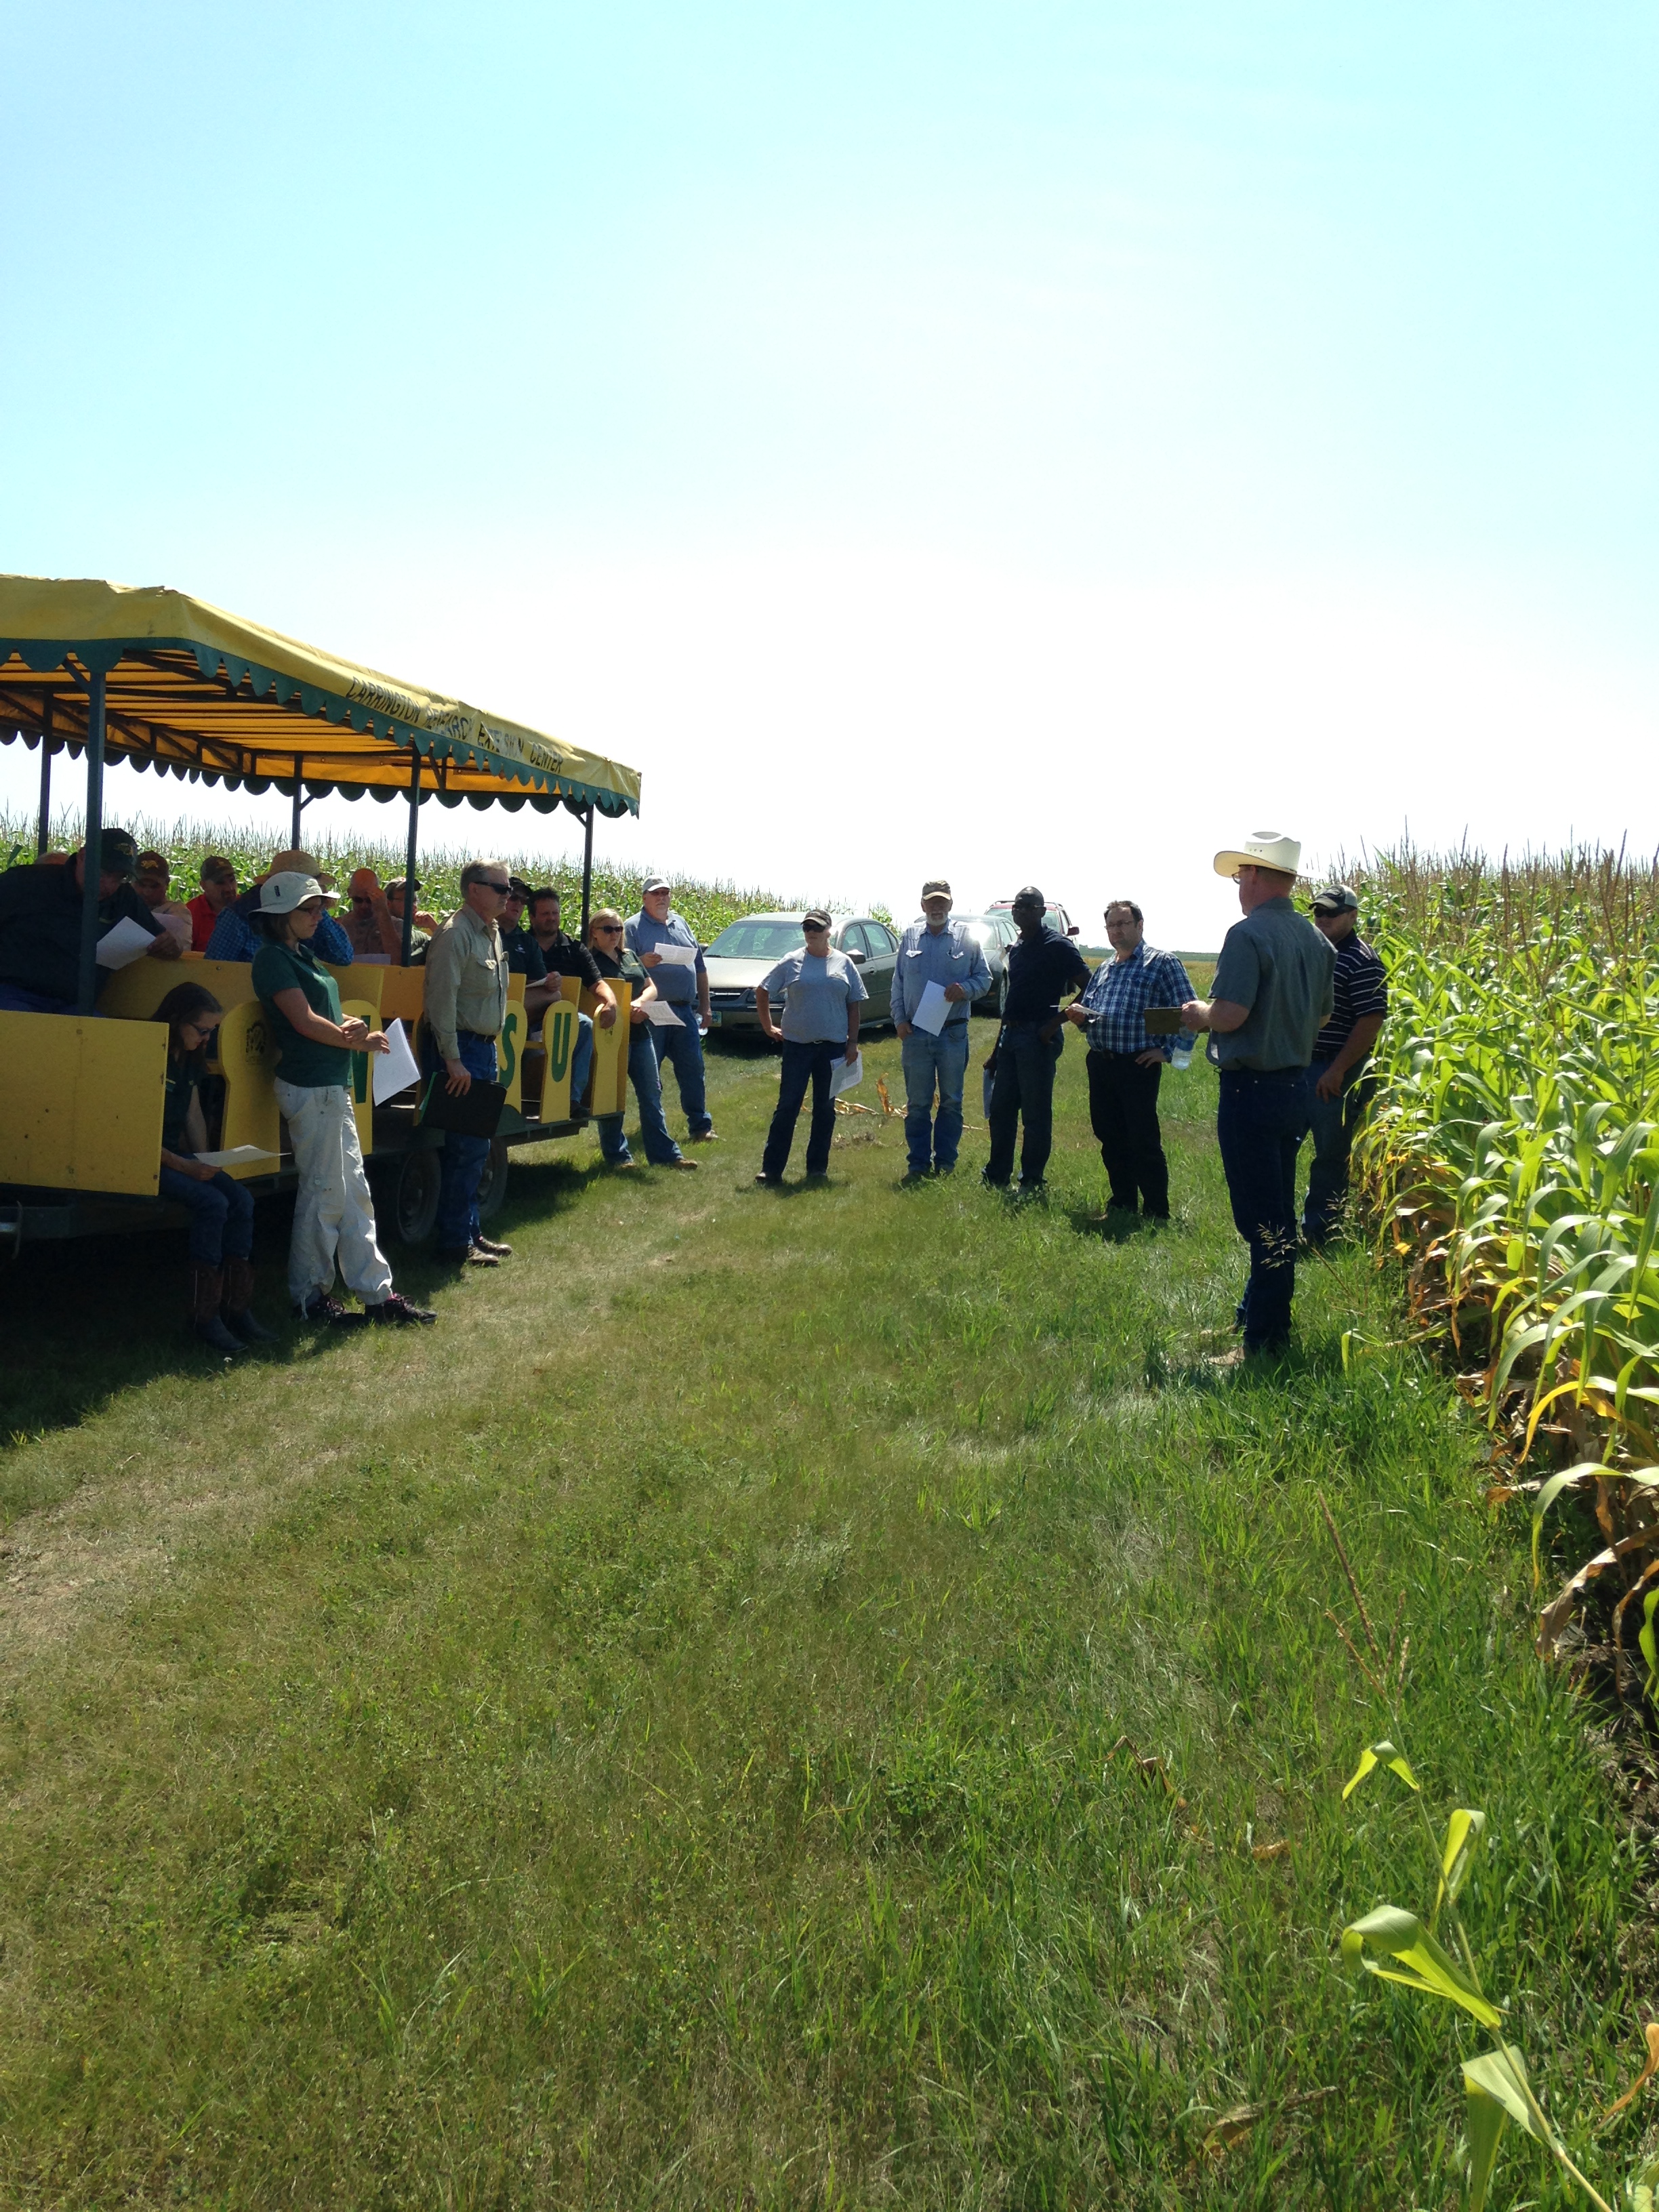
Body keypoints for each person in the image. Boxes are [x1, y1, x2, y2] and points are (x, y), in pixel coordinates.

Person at [250, 870, 434, 1326]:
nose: (319, 916)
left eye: (321, 908)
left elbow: (321, 1016)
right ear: (280, 916)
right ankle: (309, 1299)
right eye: (308, 910)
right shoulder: (273, 959)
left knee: (354, 1194)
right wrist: (355, 1041)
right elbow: (303, 1022)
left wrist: (349, 1026)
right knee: (325, 1194)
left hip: (329, 1084)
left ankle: (377, 1295)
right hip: (311, 1085)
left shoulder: (301, 954)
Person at [1180, 830, 1334, 1359]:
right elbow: (1324, 1015)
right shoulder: (1317, 940)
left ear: (1261, 877)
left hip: (1251, 1089)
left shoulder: (1247, 935)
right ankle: (1255, 1315)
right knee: (1276, 1206)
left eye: (1243, 873)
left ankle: (1266, 1340)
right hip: (1295, 1087)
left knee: (1263, 1221)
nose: (1238, 884)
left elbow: (1228, 1014)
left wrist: (1197, 1014)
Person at [151, 981, 274, 1351]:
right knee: (213, 1203)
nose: (207, 1039)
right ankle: (203, 1316)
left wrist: (208, 1162)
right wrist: (188, 1169)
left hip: (176, 1157)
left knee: (241, 1200)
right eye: (202, 1030)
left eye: (212, 1032)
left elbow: (191, 1111)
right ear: (175, 1020)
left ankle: (237, 1308)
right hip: (148, 1160)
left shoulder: (188, 1057)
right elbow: (134, 1135)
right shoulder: (147, 1053)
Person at [1066, 901, 1194, 1221]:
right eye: (1112, 925)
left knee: (1142, 1138)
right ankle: (1122, 1202)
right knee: (1109, 1136)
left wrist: (1167, 1052)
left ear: (1140, 925)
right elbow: (1093, 1008)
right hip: (1101, 1062)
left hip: (1138, 1064)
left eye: (1124, 923)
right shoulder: (1106, 968)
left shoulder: (1161, 963)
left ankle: (1156, 1211)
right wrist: (1082, 1019)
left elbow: (1189, 1014)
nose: (1117, 930)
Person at [424, 859, 520, 1267]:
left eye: (508, 888)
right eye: (499, 888)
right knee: (465, 1149)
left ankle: (470, 1232)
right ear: (473, 890)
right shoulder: (454, 935)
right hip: (461, 1050)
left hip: (483, 1049)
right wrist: (453, 1059)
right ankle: (453, 1242)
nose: (507, 895)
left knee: (477, 1148)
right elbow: (440, 1002)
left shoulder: (492, 933)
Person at [0, 827, 180, 1013]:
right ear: (83, 856)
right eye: (103, 873)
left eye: (119, 878)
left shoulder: (124, 898)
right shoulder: (25, 883)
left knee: (105, 1039)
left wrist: (169, 946)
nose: (109, 885)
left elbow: (165, 943)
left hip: (77, 1006)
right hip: (14, 996)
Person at [982, 887, 1090, 1195]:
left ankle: (1031, 1180)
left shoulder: (1058, 946)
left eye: (1030, 906)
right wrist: (995, 1052)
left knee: (1035, 1113)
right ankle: (997, 1174)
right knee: (1002, 1110)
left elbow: (1090, 987)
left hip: (1039, 1038)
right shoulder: (1017, 947)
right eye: (1018, 906)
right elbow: (1012, 1001)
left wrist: (1055, 1023)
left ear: (1043, 912)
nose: (1023, 911)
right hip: (1012, 1037)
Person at [1301, 883, 1389, 1246]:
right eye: (1318, 913)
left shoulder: (1362, 960)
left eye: (1331, 914)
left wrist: (1337, 1070)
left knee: (1330, 1155)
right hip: (1302, 1067)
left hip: (1334, 1072)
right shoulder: (1315, 953)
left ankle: (1322, 1233)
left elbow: (1371, 1021)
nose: (1322, 919)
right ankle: (1280, 1230)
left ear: (1352, 917)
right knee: (1282, 1147)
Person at [754, 911, 867, 1185]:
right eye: (807, 928)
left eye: (817, 927)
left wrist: (853, 1043)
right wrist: (769, 1027)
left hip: (834, 1048)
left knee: (825, 1109)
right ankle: (772, 1170)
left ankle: (817, 1169)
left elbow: (854, 1004)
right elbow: (763, 989)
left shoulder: (844, 963)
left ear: (829, 930)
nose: (811, 932)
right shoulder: (792, 961)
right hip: (798, 1047)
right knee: (788, 1107)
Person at [890, 878, 991, 1179]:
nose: (937, 907)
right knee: (918, 1103)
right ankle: (917, 1165)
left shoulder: (967, 939)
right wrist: (898, 1020)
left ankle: (945, 1163)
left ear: (951, 904)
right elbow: (897, 983)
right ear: (922, 905)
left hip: (952, 1032)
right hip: (917, 1034)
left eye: (942, 902)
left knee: (951, 1101)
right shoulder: (909, 937)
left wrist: (965, 989)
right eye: (931, 902)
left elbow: (985, 980)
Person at [586, 908, 698, 1171]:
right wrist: (625, 1009)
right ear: (594, 932)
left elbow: (652, 987)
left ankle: (666, 1155)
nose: (615, 934)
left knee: (651, 1095)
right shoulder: (589, 961)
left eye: (618, 929)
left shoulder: (630, 957)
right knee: (612, 1097)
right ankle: (619, 1157)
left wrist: (638, 1003)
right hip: (610, 1037)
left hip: (640, 1035)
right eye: (608, 929)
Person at [627, 878, 716, 1143]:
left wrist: (706, 1005)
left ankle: (700, 1127)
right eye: (656, 894)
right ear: (645, 898)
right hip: (651, 1011)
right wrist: (641, 962)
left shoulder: (681, 923)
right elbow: (622, 965)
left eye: (666, 893)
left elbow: (699, 967)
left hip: (683, 1011)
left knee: (693, 1069)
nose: (662, 897)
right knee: (650, 1074)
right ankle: (656, 1130)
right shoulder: (633, 927)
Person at [527, 887, 614, 1106]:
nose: (551, 918)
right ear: (532, 917)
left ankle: (572, 1100)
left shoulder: (574, 950)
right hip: (526, 1016)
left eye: (555, 913)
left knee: (584, 1024)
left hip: (562, 1021)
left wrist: (610, 1002)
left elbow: (598, 983)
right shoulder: (522, 945)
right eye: (545, 914)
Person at [208, 848, 354, 964]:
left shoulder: (312, 917)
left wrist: (316, 907)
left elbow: (343, 956)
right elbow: (215, 971)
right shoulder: (235, 917)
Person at [499, 878, 558, 1019]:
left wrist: (551, 981)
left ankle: (504, 1014)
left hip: (517, 1002)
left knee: (554, 994)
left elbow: (539, 983)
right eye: (514, 898)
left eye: (523, 900)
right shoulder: (481, 933)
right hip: (485, 995)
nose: (518, 904)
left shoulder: (528, 942)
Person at [341, 867, 405, 960]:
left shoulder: (396, 925)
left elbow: (398, 960)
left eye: (369, 900)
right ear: (349, 893)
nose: (364, 906)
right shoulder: (341, 926)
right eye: (358, 900)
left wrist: (383, 911)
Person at [133, 852, 194, 946]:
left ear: (167, 884)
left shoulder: (178, 913)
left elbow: (181, 947)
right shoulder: (119, 904)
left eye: (154, 886)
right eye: (141, 885)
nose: (147, 892)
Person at [187, 855, 238, 951]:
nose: (229, 888)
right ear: (203, 885)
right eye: (220, 883)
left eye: (232, 881)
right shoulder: (191, 914)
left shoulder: (248, 907)